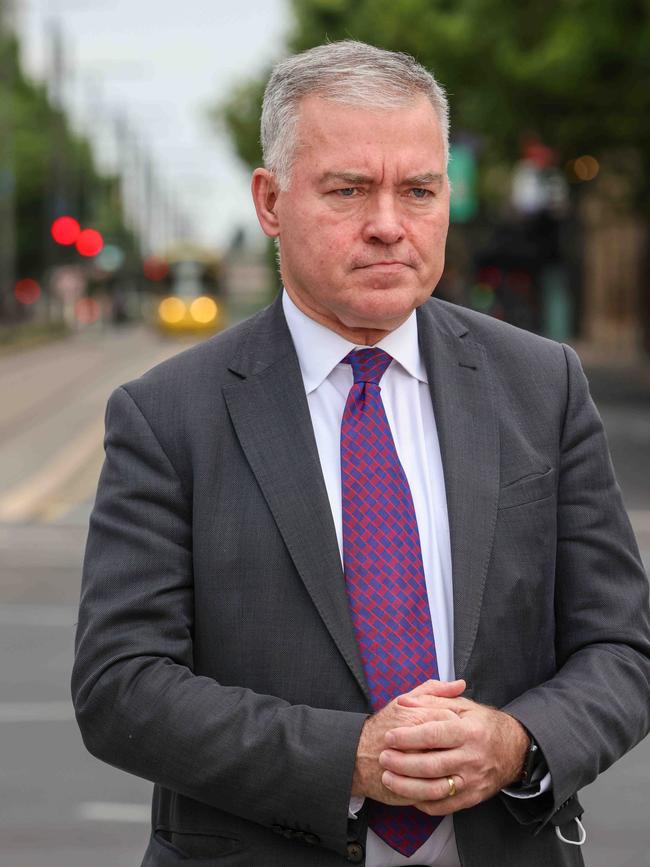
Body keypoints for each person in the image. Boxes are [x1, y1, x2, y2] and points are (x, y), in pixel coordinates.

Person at [71, 41, 650, 867]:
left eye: (418, 190)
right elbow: (120, 685)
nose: (388, 223)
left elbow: (623, 647)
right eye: (347, 190)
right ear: (270, 201)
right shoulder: (167, 415)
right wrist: (350, 758)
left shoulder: (541, 383)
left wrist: (519, 741)